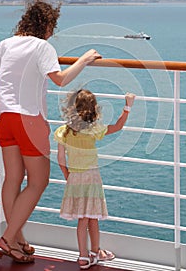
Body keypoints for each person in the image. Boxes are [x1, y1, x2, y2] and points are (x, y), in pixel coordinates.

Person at [0, 0, 101, 264]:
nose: (52, 32)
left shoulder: (5, 44)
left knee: (12, 179)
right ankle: (7, 238)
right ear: (46, 25)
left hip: (5, 118)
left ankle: (17, 239)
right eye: (53, 26)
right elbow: (60, 80)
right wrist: (84, 59)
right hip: (30, 121)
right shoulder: (42, 47)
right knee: (38, 182)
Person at [54, 89, 135, 269]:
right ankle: (91, 253)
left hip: (74, 177)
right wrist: (128, 106)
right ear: (93, 110)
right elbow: (118, 126)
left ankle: (85, 255)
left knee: (83, 219)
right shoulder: (93, 130)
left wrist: (68, 176)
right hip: (92, 177)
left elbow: (61, 159)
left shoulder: (63, 132)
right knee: (92, 217)